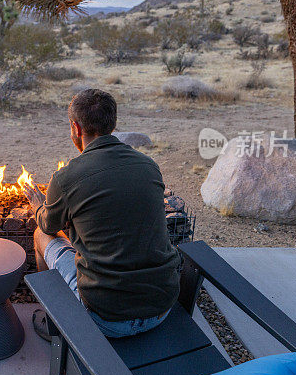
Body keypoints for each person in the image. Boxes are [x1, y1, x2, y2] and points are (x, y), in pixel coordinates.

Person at [23, 88, 180, 339]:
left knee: (41, 236)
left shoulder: (67, 177)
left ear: (75, 127)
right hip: (162, 308)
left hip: (106, 318)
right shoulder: (148, 166)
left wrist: (39, 206)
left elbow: (49, 225)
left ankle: (52, 318)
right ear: (114, 124)